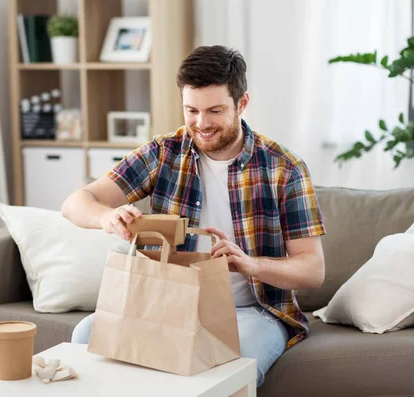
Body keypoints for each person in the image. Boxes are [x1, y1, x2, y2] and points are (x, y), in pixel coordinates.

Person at [61, 45, 326, 387]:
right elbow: (75, 203)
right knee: (85, 335)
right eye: (192, 110)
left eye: (215, 111)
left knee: (226, 363)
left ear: (241, 103)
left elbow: (312, 269)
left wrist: (251, 264)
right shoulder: (163, 153)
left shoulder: (283, 169)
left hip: (252, 312)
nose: (201, 124)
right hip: (165, 303)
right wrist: (107, 218)